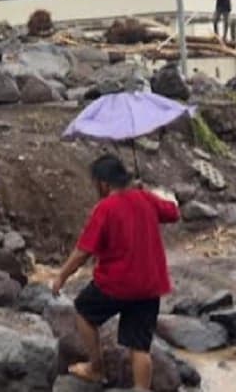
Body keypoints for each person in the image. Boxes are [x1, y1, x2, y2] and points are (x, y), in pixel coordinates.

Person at [51, 154, 180, 388]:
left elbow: (83, 252)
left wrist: (62, 276)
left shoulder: (105, 208)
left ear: (103, 183)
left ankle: (96, 368)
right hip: (150, 285)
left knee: (83, 311)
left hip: (116, 284)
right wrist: (150, 192)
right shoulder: (145, 198)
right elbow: (173, 212)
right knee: (140, 346)